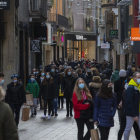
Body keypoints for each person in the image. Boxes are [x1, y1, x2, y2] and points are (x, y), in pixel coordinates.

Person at [124, 72, 140, 140]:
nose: (139, 79)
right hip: (132, 112)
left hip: (138, 111)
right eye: (139, 77)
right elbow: (129, 102)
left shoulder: (138, 86)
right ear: (134, 78)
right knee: (128, 128)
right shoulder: (131, 87)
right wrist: (134, 115)